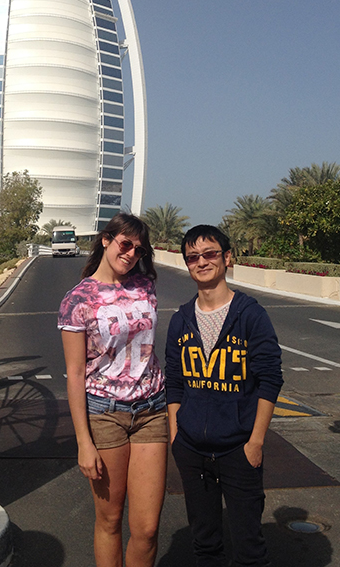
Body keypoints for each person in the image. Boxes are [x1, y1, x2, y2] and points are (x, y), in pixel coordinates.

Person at [166, 224, 283, 567]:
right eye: (193, 257)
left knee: (249, 549)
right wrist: (176, 436)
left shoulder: (250, 315)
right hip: (192, 451)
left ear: (227, 258)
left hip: (238, 449)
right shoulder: (181, 320)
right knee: (205, 546)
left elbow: (270, 380)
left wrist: (255, 442)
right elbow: (174, 382)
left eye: (210, 254)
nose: (201, 262)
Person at [58, 213, 168, 567]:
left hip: (152, 409)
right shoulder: (77, 299)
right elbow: (75, 373)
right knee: (110, 519)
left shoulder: (145, 286)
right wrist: (83, 442)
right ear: (106, 240)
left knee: (147, 528)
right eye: (125, 243)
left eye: (139, 249)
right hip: (105, 414)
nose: (131, 253)